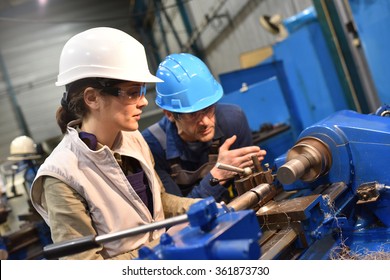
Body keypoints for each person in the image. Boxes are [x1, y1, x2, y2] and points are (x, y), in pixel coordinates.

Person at [30, 27, 197, 260]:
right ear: (92, 98)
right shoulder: (62, 176)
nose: (144, 102)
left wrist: (198, 207)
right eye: (132, 92)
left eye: (142, 90)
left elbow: (160, 201)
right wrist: (160, 248)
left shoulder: (133, 139)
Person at [142, 53, 267, 202]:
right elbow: (177, 215)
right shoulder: (152, 146)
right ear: (169, 114)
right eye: (193, 114)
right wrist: (218, 175)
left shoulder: (233, 120)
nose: (206, 122)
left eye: (208, 109)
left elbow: (250, 189)